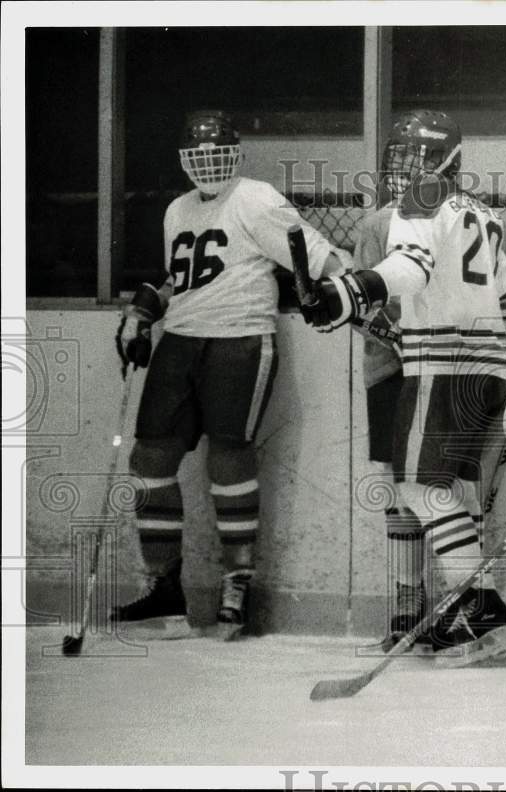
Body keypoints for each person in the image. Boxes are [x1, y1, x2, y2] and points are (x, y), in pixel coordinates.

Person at [113, 110, 349, 640]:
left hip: (240, 340)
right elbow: (183, 277)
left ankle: (236, 587)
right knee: (149, 457)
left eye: (217, 154)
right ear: (183, 160)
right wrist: (144, 310)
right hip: (181, 340)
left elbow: (313, 250)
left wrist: (351, 286)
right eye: (198, 156)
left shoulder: (257, 197)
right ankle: (165, 593)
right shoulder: (176, 210)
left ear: (236, 154)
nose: (208, 165)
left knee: (229, 456)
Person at [302, 109, 506, 666]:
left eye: (419, 157)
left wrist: (349, 291)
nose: (409, 168)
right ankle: (474, 612)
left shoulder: (417, 203)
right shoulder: (485, 213)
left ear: (445, 161)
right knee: (447, 491)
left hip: (440, 363)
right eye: (401, 157)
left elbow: (412, 267)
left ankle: (479, 603)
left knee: (418, 489)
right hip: (488, 367)